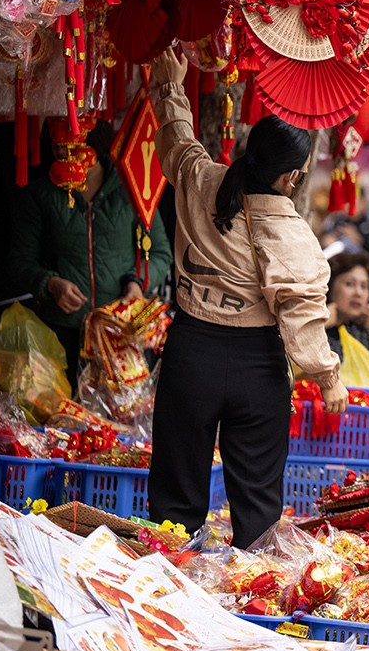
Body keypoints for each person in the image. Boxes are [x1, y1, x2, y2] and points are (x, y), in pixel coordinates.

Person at [146, 48, 348, 546]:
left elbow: (177, 141)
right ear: (290, 177)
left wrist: (170, 85)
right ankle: (252, 604)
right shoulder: (293, 233)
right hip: (258, 368)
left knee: (176, 492)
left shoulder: (201, 180)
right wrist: (327, 378)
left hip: (191, 352)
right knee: (257, 505)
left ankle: (166, 584)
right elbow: (301, 316)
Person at [11, 123, 173, 387]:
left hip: (119, 333)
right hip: (62, 333)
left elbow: (161, 253)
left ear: (93, 143)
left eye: (70, 144)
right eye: (55, 143)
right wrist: (50, 283)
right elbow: (19, 263)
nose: (60, 151)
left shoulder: (130, 186)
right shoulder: (40, 195)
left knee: (120, 420)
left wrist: (136, 283)